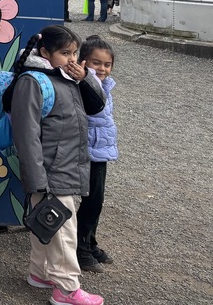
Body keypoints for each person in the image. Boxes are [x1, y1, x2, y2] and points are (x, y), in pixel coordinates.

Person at [6, 25, 106, 305]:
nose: (72, 59)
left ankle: (40, 273)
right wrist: (37, 177)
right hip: (49, 171)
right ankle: (66, 289)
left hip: (61, 167)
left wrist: (85, 78)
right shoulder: (33, 81)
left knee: (46, 224)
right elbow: (26, 135)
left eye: (75, 53)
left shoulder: (67, 77)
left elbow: (97, 105)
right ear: (45, 52)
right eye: (65, 53)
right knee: (64, 230)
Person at [76, 36, 118, 274]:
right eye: (96, 62)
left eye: (106, 64)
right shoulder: (83, 83)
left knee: (96, 200)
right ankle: (80, 248)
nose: (102, 68)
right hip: (88, 150)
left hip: (100, 149)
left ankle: (90, 243)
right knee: (91, 201)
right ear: (83, 62)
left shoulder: (104, 84)